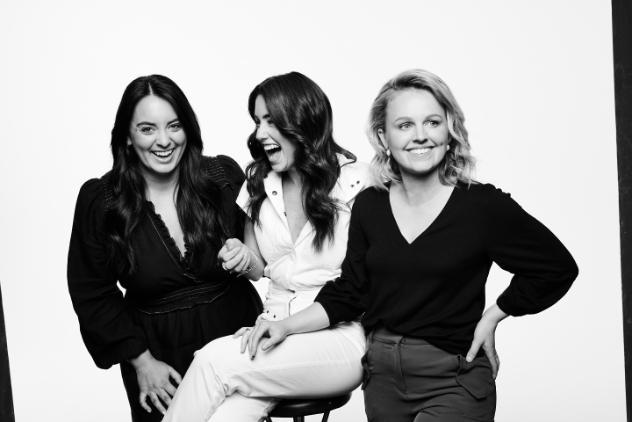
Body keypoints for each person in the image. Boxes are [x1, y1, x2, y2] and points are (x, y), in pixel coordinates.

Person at [242, 69, 579, 422]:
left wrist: (495, 315)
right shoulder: (371, 204)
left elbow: (555, 267)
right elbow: (350, 292)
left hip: (454, 378)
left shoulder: (481, 206)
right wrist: (285, 326)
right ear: (383, 136)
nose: (420, 136)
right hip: (383, 381)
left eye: (432, 122)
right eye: (404, 125)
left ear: (450, 130)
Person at [161, 72, 370, 422]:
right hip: (270, 326)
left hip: (338, 337)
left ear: (303, 119)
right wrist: (243, 258)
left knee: (213, 361)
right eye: (257, 121)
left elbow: (362, 285)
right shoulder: (260, 181)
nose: (259, 133)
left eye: (270, 121)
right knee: (224, 416)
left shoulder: (359, 182)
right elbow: (257, 264)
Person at [67, 75, 262, 422]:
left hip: (237, 342)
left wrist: (244, 257)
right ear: (127, 136)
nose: (164, 140)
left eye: (174, 126)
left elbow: (265, 258)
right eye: (147, 129)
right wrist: (142, 362)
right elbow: (92, 293)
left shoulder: (222, 177)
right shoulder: (103, 201)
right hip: (159, 358)